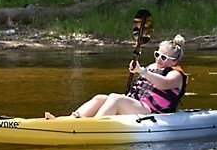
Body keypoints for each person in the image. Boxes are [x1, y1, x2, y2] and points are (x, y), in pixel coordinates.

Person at [44, 35, 187, 119]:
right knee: (100, 98)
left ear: (174, 61)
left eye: (163, 57)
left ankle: (94, 126)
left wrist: (141, 71)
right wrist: (136, 70)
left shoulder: (176, 74)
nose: (158, 59)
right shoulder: (151, 67)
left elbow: (163, 84)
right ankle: (70, 120)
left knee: (115, 98)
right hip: (137, 104)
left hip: (152, 111)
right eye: (157, 54)